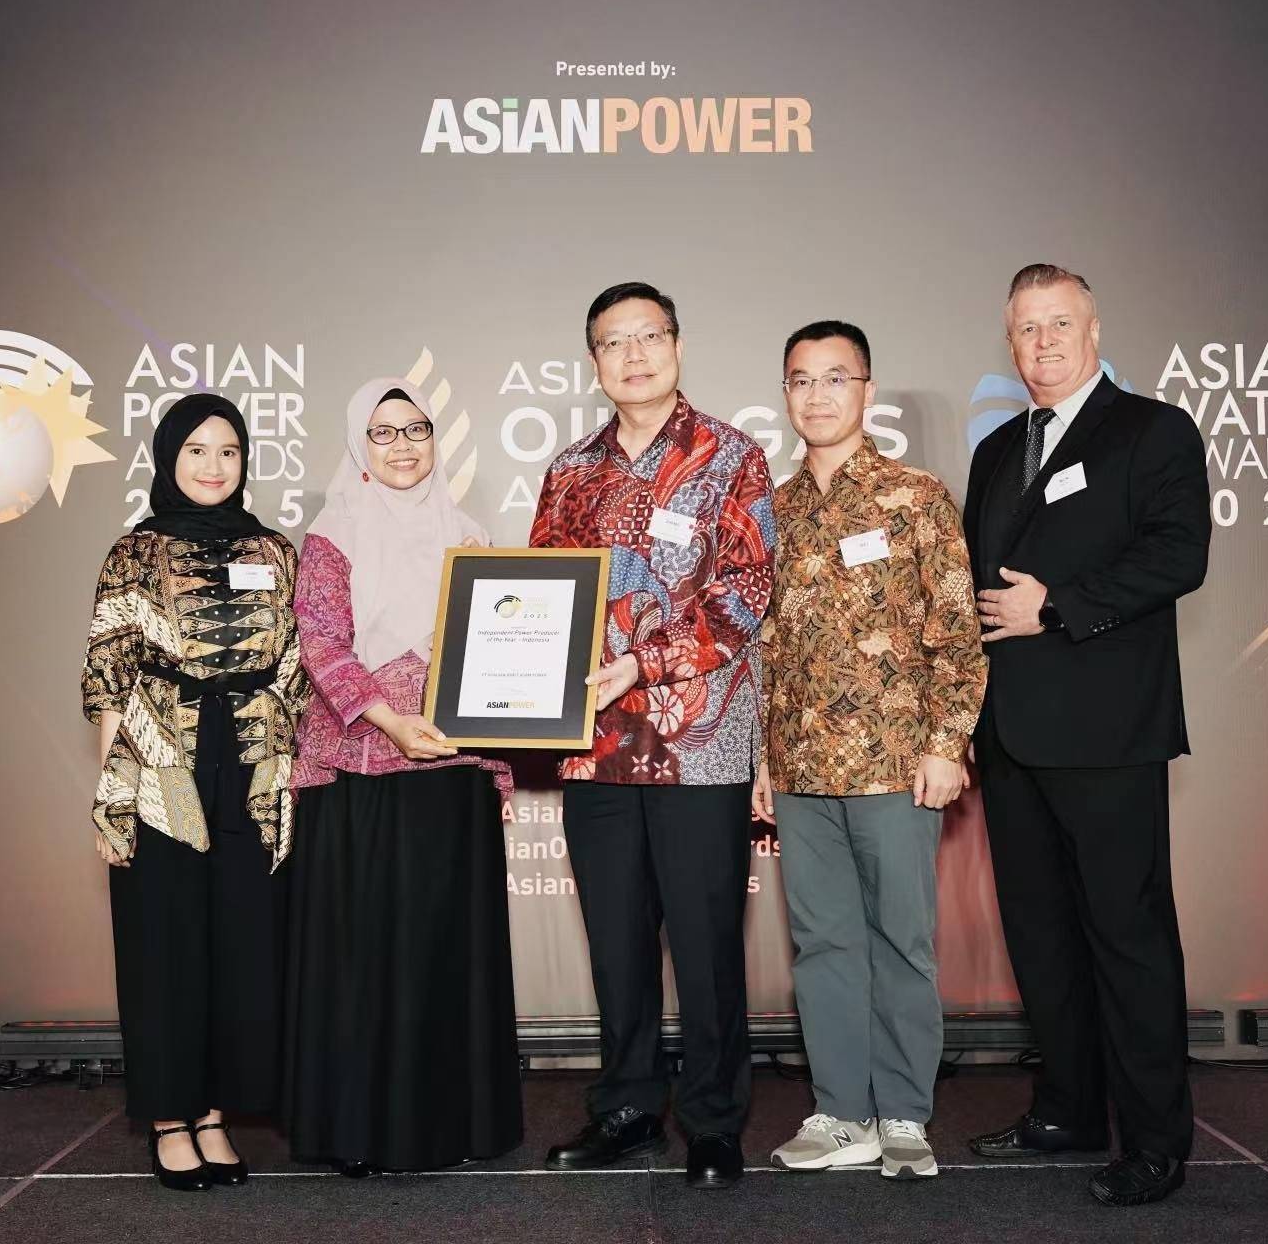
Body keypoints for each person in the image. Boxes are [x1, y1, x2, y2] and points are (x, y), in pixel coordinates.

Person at [962, 265, 1211, 1206]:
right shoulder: (998, 450)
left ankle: (1154, 1141)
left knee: (1128, 939)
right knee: (1042, 939)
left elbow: (1179, 555)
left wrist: (1059, 605)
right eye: (1027, 329)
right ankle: (1067, 1109)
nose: (1043, 343)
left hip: (1109, 735)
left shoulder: (1152, 430)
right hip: (1012, 737)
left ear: (1094, 329)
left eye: (1059, 324)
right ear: (1010, 341)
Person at [529, 282, 776, 1189]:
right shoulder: (570, 471)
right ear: (593, 361)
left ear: (677, 345)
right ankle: (628, 1110)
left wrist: (644, 662)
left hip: (698, 743)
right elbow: (538, 596)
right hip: (593, 744)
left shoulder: (732, 456)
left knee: (706, 944)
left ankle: (713, 1122)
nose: (633, 355)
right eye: (613, 342)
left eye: (649, 336)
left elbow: (746, 592)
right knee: (617, 942)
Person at [753, 320, 986, 1179]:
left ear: (867, 392)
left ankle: (906, 1115)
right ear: (786, 394)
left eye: (834, 378)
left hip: (896, 763)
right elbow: (765, 648)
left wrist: (946, 743)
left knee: (901, 944)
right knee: (823, 946)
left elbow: (957, 632)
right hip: (801, 768)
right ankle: (840, 1113)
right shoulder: (772, 510)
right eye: (801, 380)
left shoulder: (916, 497)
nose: (816, 395)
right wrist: (764, 761)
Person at [279, 377, 522, 1175]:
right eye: (383, 432)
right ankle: (363, 1130)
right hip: (365, 776)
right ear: (360, 445)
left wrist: (496, 759)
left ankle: (452, 1127)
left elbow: (496, 653)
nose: (404, 446)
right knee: (369, 952)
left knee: (443, 947)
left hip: (451, 771)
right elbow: (321, 645)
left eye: (416, 428)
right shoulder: (333, 536)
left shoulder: (470, 533)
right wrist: (391, 721)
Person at [82, 392, 306, 1192]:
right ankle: (170, 1118)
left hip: (252, 762)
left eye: (229, 451)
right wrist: (111, 795)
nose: (214, 466)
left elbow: (294, 667)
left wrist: (287, 775)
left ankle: (214, 1112)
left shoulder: (275, 550)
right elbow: (108, 676)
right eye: (197, 451)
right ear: (169, 458)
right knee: (164, 941)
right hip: (160, 765)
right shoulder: (134, 552)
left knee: (243, 942)